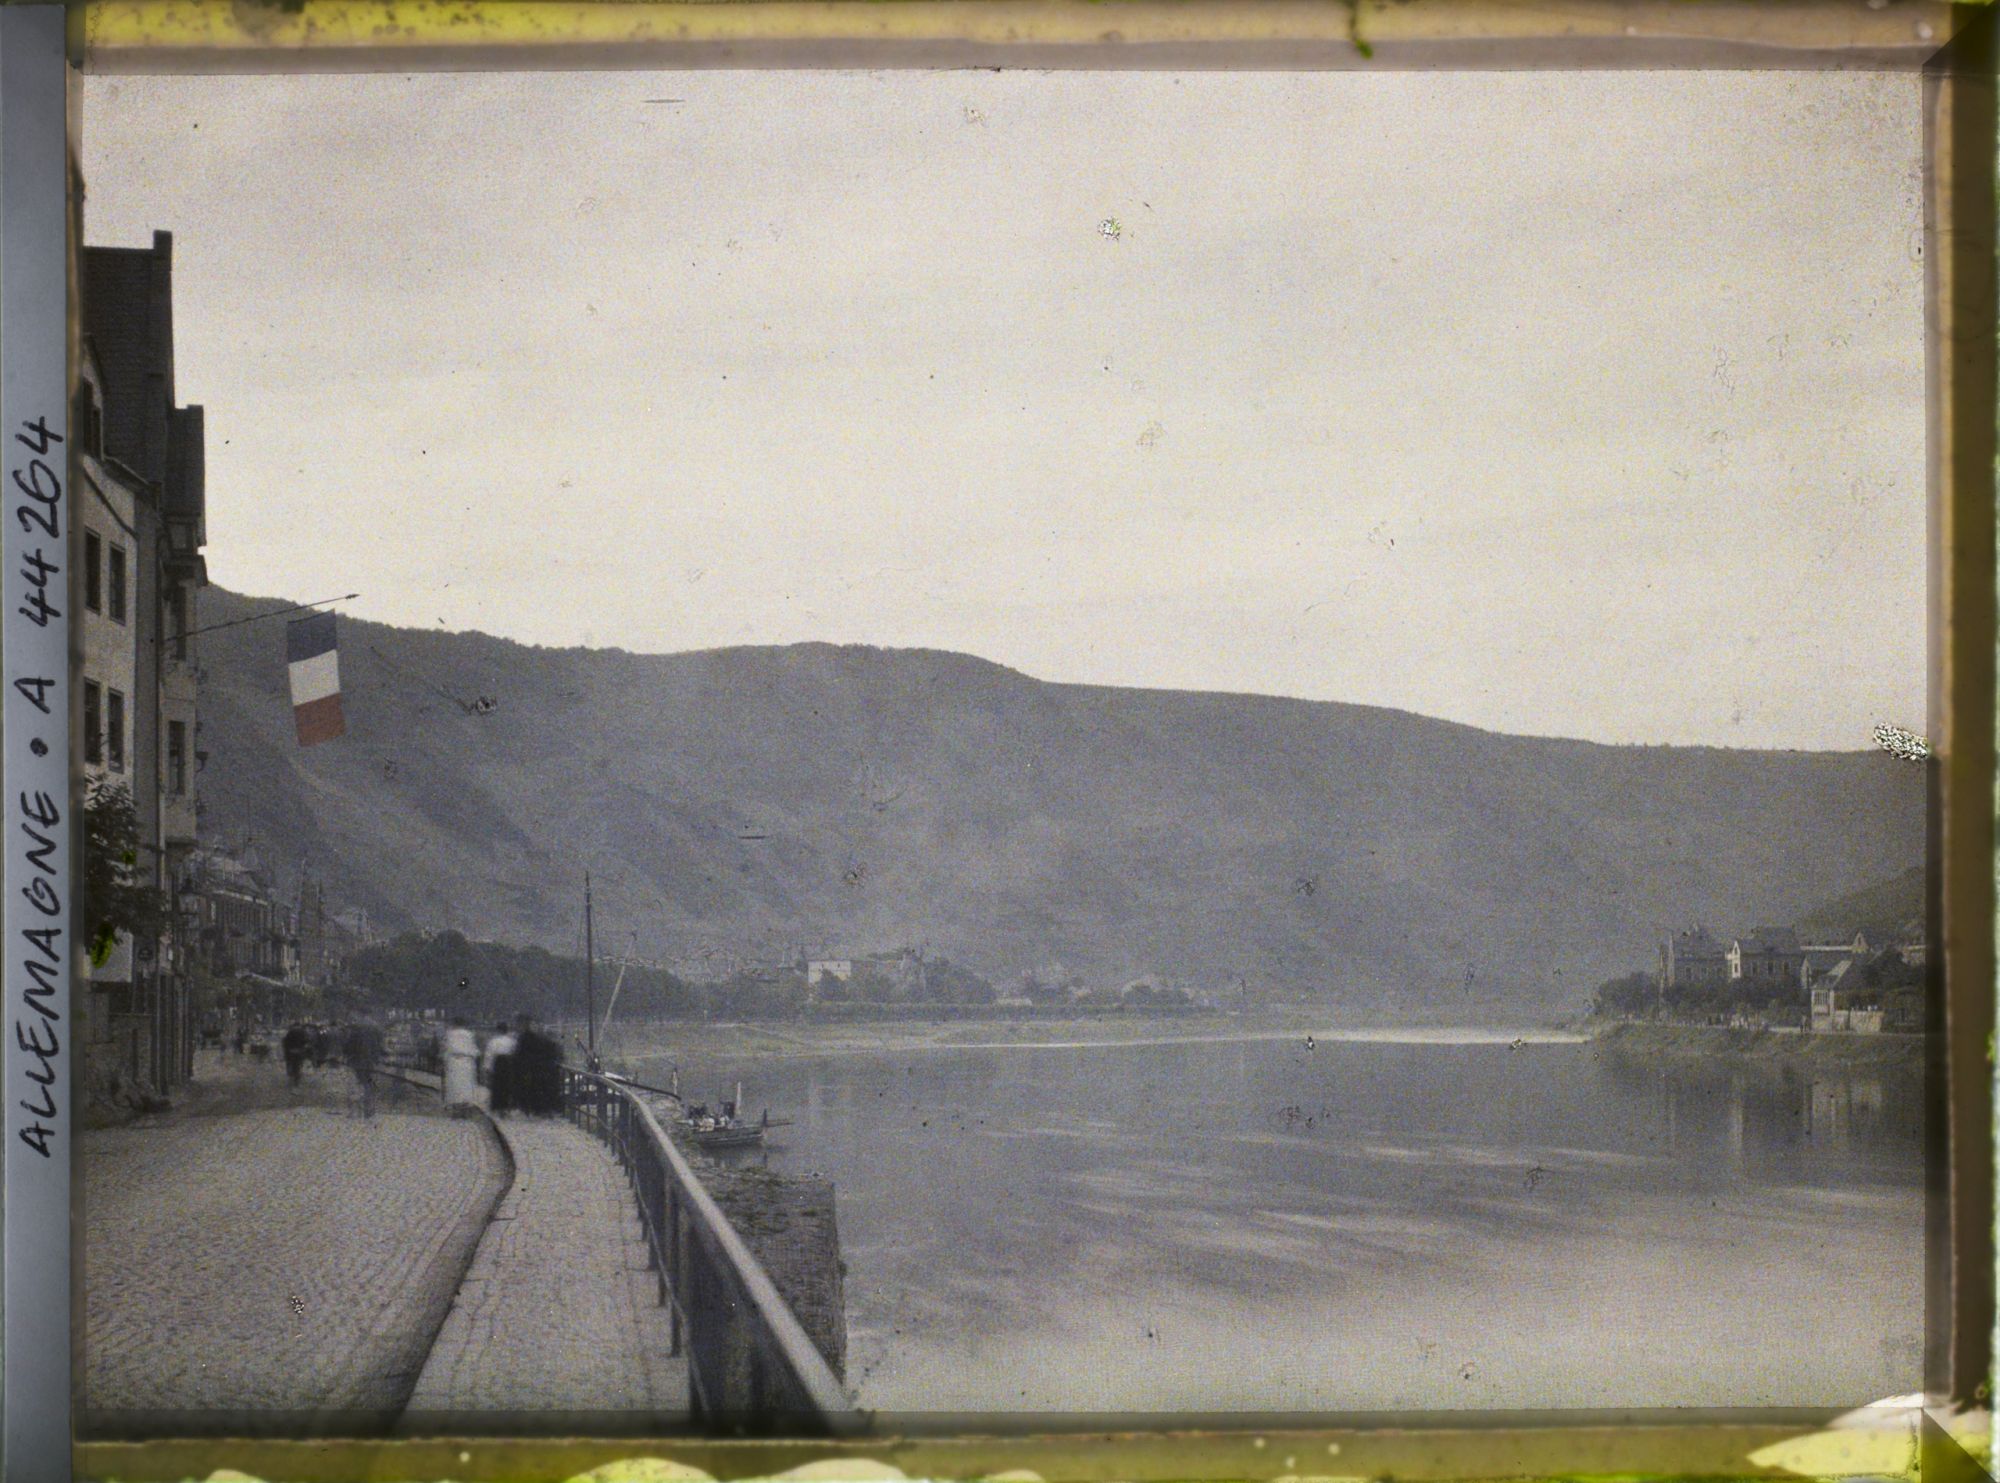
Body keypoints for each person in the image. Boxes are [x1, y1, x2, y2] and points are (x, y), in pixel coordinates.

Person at [512, 1014, 562, 1117]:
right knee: (544, 1090)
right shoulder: (547, 1042)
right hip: (545, 1069)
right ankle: (545, 1109)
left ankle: (533, 1108)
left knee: (534, 1089)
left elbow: (520, 1054)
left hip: (533, 1069)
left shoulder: (526, 1039)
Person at [344, 1017, 386, 1119]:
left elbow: (347, 1047)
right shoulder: (375, 1032)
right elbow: (380, 1047)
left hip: (355, 1061)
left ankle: (354, 1111)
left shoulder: (355, 1032)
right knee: (368, 1083)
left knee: (354, 1084)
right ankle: (369, 1109)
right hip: (370, 1062)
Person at [441, 1017, 480, 1116]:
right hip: (467, 1061)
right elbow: (474, 1049)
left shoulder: (449, 1034)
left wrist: (444, 1060)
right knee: (466, 1085)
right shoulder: (470, 1034)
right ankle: (465, 1108)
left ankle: (455, 1108)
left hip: (453, 1061)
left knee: (454, 1084)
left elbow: (446, 1048)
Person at [482, 1019, 518, 1117]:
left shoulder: (493, 1041)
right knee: (507, 1087)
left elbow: (489, 1055)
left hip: (498, 1065)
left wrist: (487, 1068)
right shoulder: (512, 1041)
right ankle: (507, 1108)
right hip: (509, 1065)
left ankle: (498, 1107)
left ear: (497, 1030)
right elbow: (515, 1054)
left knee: (497, 1087)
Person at [280, 1021, 310, 1088]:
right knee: (298, 1064)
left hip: (292, 1051)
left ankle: (292, 1075)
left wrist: (287, 1050)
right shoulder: (303, 1031)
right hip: (300, 1051)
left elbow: (286, 1042)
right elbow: (306, 1041)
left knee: (292, 1064)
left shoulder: (290, 1032)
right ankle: (297, 1079)